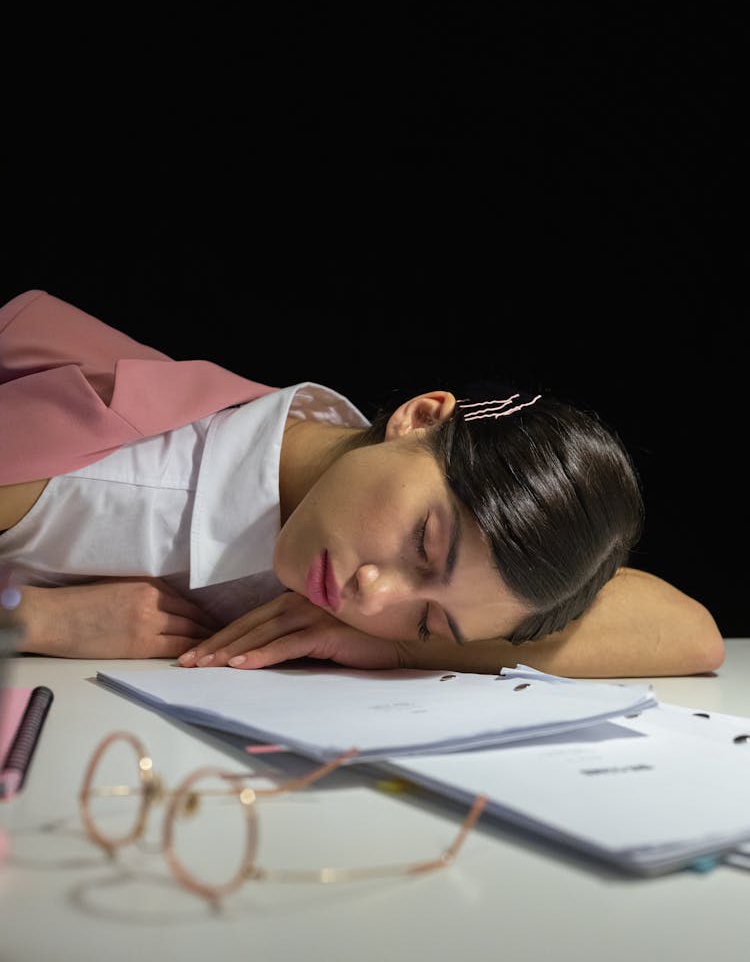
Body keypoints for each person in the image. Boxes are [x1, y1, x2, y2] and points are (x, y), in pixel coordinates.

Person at [0, 289, 723, 678]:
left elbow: (690, 636)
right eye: (422, 542)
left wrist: (407, 648)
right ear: (418, 416)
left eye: (428, 616)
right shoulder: (105, 479)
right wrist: (29, 619)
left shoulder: (319, 462)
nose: (372, 597)